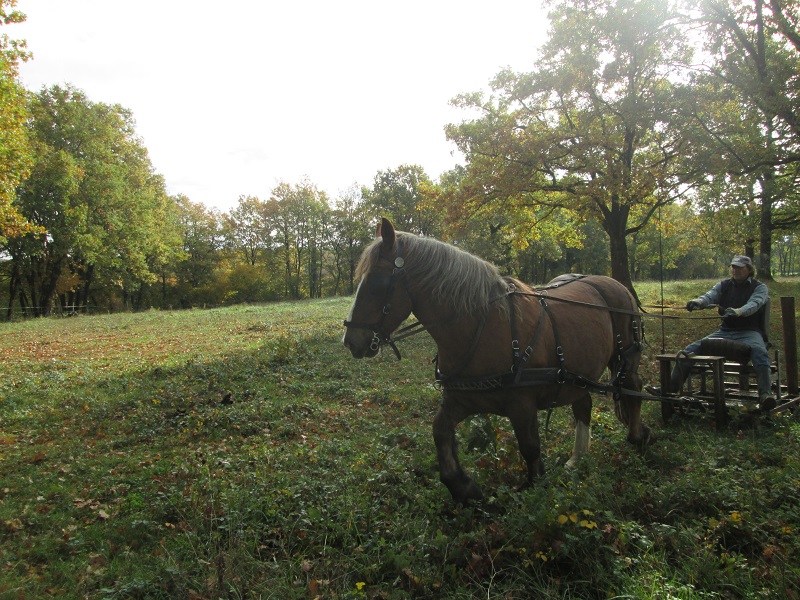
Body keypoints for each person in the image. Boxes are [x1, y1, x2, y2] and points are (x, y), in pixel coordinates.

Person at [650, 255, 776, 411]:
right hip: (725, 331)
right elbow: (710, 296)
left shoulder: (760, 287)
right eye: (733, 267)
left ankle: (765, 395)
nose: (735, 270)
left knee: (760, 352)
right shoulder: (723, 285)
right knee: (688, 352)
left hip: (749, 332)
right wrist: (698, 302)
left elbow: (755, 303)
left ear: (749, 269)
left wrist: (739, 312)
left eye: (739, 267)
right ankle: (668, 390)